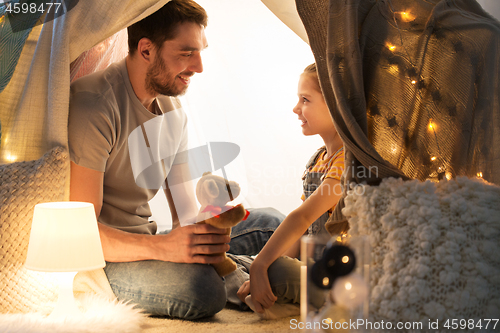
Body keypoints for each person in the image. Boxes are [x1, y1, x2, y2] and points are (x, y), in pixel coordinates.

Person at [68, 0, 282, 320]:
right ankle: (255, 271)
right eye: (186, 53)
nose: (198, 67)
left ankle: (254, 269)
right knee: (203, 290)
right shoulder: (94, 105)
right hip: (102, 261)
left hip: (150, 243)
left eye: (200, 52)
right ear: (145, 50)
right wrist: (165, 248)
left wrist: (210, 224)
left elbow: (184, 215)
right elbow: (80, 232)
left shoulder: (172, 110)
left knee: (273, 223)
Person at [237, 63, 345, 317]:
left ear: (336, 104)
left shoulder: (349, 163)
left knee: (272, 270)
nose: (296, 109)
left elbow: (302, 217)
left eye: (305, 100)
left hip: (338, 283)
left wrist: (262, 266)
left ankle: (251, 288)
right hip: (311, 267)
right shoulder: (318, 159)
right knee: (252, 264)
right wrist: (262, 265)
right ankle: (251, 285)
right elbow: (304, 233)